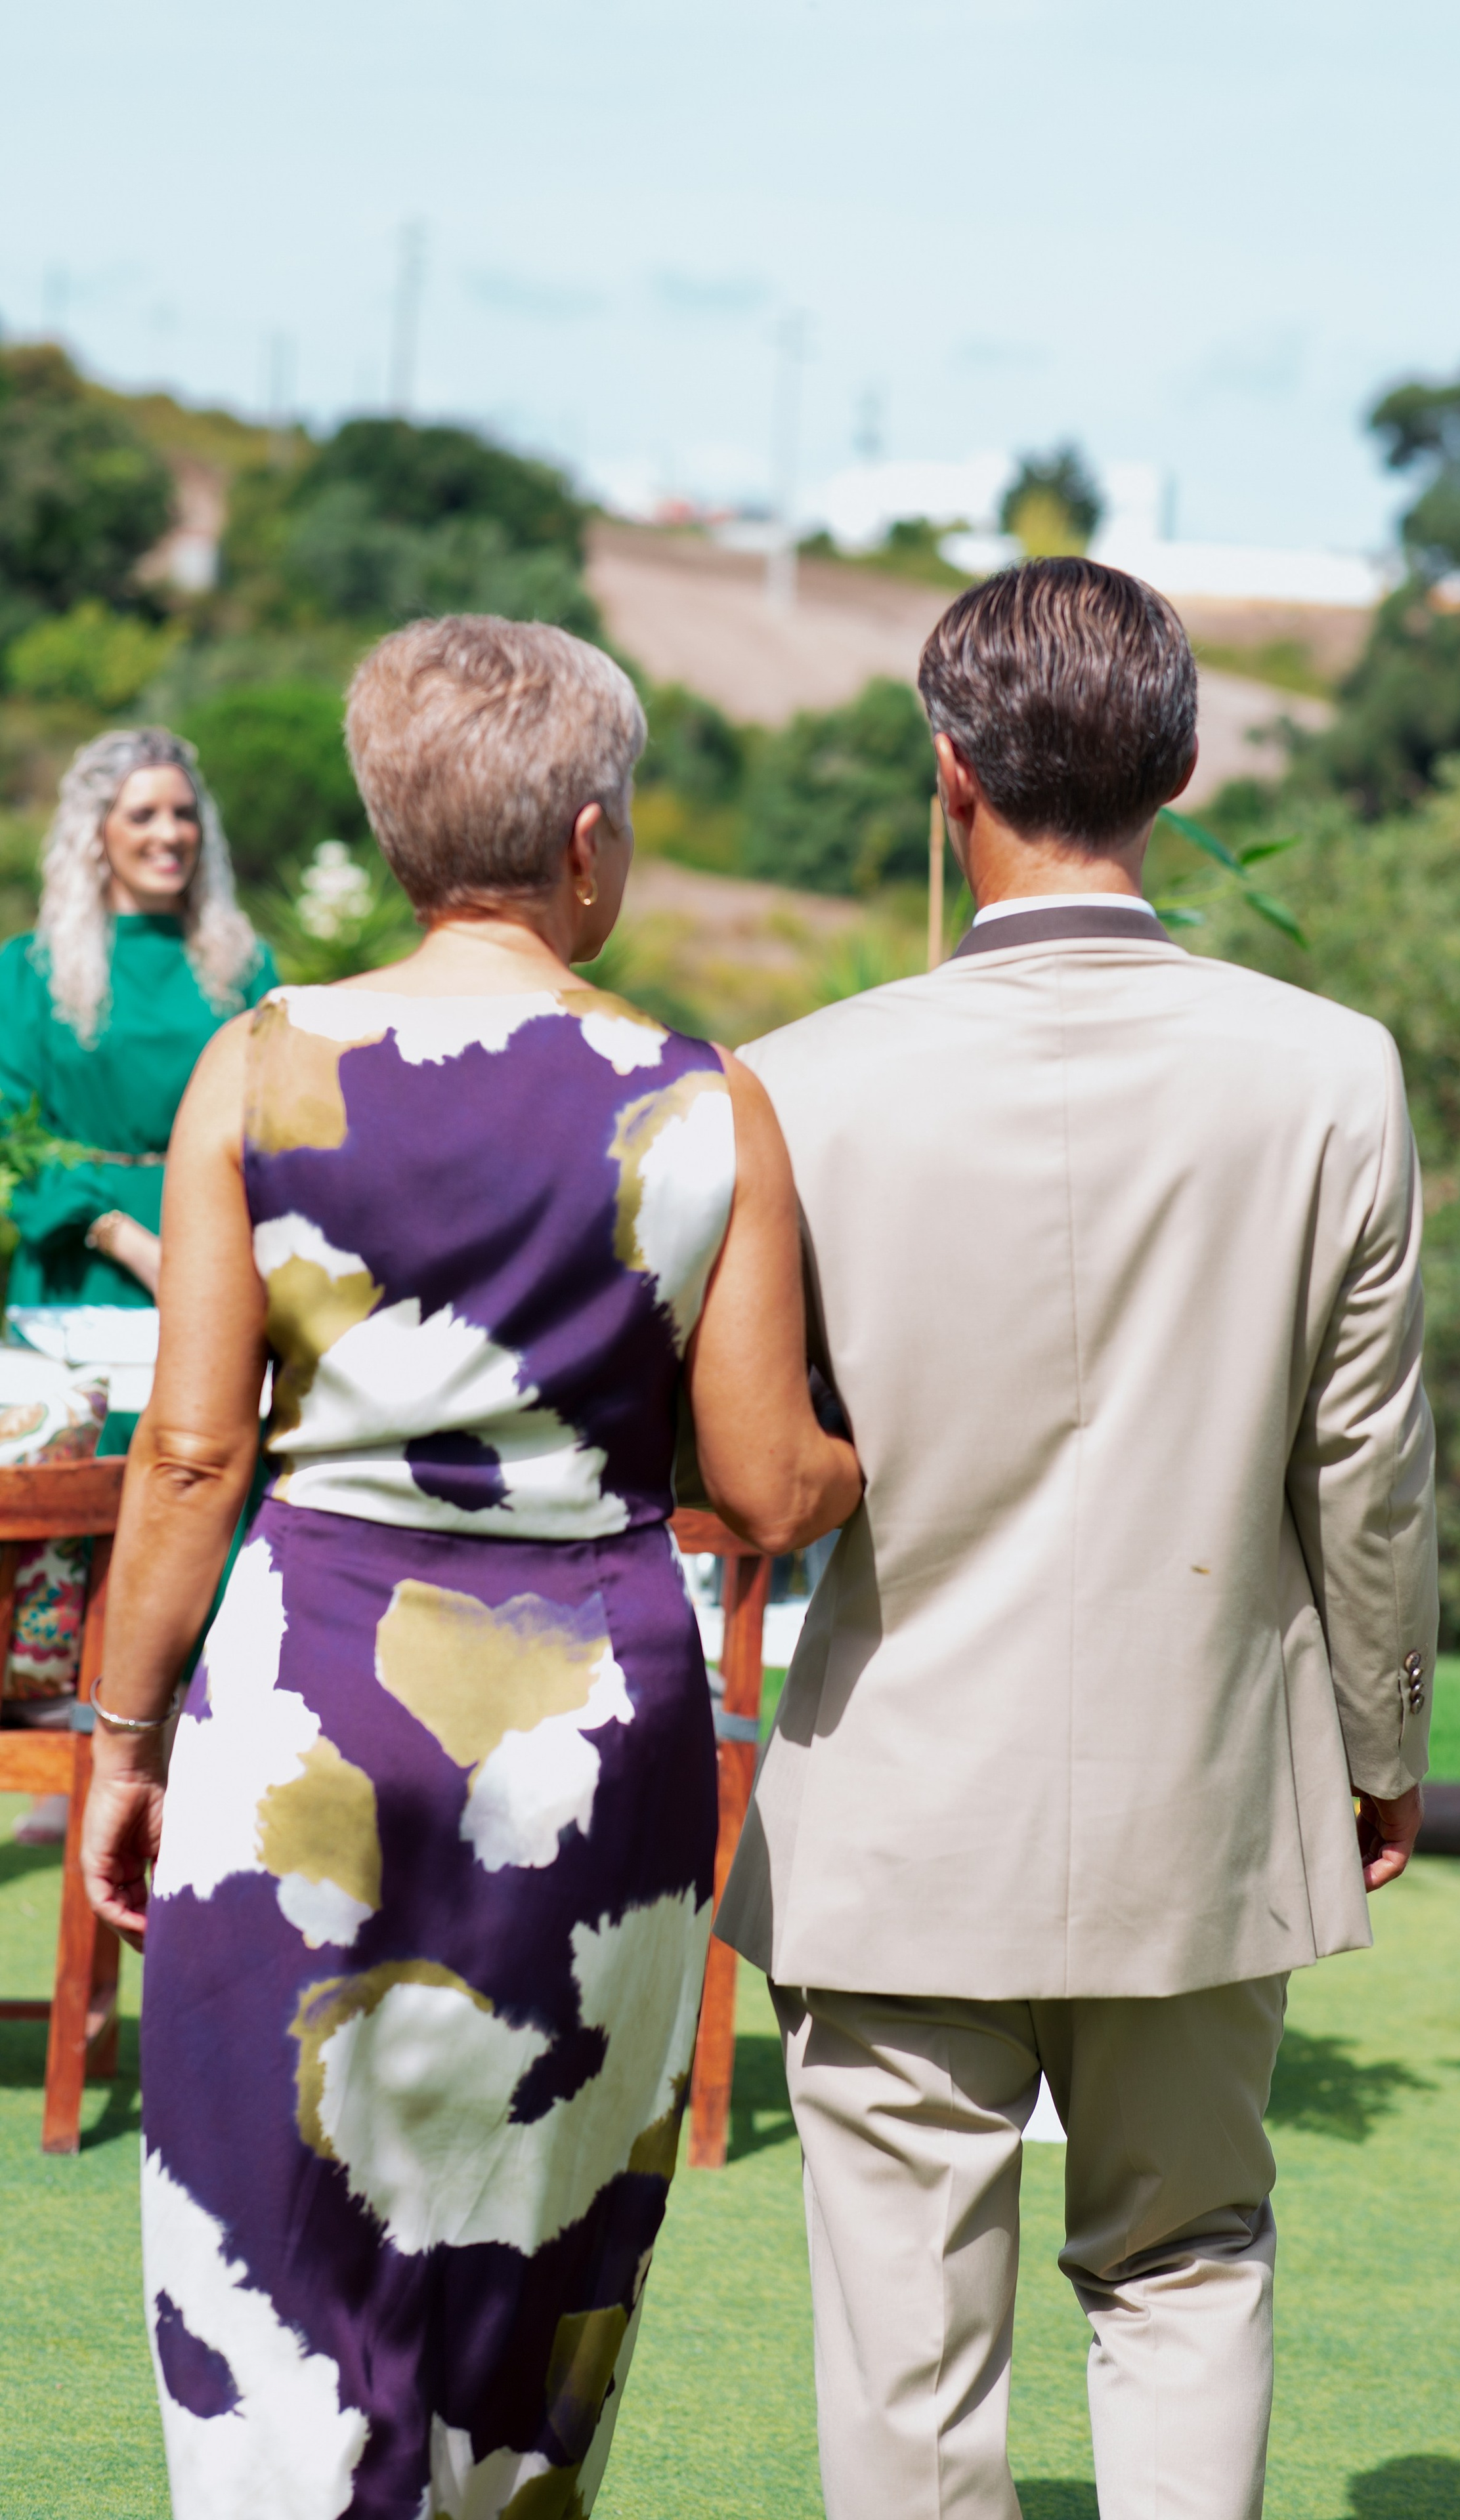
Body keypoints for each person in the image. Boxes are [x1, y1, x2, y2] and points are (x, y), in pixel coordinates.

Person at [80, 614, 861, 2519]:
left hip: (300, 1709)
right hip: (595, 1729)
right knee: (530, 2223)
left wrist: (119, 1729)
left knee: (271, 2231)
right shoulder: (703, 1100)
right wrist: (897, 1447)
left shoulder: (259, 1070)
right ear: (592, 845)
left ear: (395, 827)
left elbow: (190, 1455)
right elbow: (765, 1491)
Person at [716, 559, 1436, 2520]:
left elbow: (760, 1462)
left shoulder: (794, 1084)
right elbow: (1366, 1459)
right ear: (1185, 762)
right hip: (1205, 1785)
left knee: (906, 2350)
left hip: (895, 1794)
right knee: (1188, 2266)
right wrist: (1382, 1745)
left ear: (949, 773)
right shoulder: (1331, 1072)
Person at [0, 728, 274, 1842]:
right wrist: (127, 1234)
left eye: (182, 815)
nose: (169, 835)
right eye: (143, 816)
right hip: (80, 1270)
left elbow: (284, 1125)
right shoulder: (29, 972)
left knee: (210, 1491)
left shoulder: (244, 970)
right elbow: (14, 1140)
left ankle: (197, 1757)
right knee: (81, 1514)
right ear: (97, 835)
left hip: (219, 1270)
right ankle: (64, 1756)